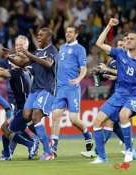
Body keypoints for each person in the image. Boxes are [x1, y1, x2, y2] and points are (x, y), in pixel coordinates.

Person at [91, 18, 136, 163]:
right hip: (119, 93)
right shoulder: (119, 53)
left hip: (134, 94)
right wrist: (108, 25)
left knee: (123, 115)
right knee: (97, 122)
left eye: (131, 39)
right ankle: (102, 157)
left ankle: (128, 151)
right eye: (126, 38)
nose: (127, 40)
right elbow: (99, 44)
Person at [6, 28, 58, 160]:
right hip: (35, 90)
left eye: (41, 35)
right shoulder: (37, 52)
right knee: (26, 115)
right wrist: (9, 57)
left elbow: (48, 64)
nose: (38, 37)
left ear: (49, 37)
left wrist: (30, 54)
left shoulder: (52, 50)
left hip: (47, 89)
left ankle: (48, 152)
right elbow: (23, 64)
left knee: (35, 116)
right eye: (38, 34)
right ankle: (46, 140)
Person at [50, 26, 93, 157]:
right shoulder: (62, 48)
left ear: (76, 34)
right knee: (55, 116)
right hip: (60, 88)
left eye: (70, 32)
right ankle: (53, 149)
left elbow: (84, 68)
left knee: (73, 119)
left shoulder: (80, 49)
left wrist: (79, 79)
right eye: (66, 32)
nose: (67, 34)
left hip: (72, 88)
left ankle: (87, 133)